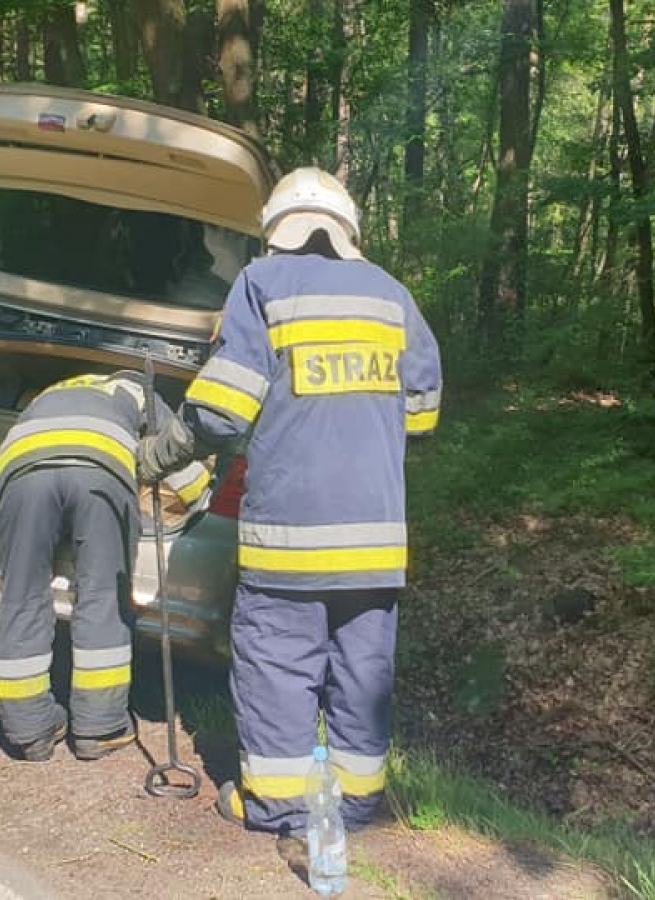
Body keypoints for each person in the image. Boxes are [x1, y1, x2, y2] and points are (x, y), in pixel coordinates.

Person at [138, 167, 443, 836]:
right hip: (375, 544)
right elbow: (421, 414)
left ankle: (278, 807)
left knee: (278, 663)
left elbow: (220, 411)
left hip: (290, 539)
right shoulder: (394, 296)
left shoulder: (262, 285)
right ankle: (357, 805)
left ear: (276, 232)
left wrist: (158, 454)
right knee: (363, 671)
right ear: (348, 230)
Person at [0, 371, 212, 762]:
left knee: (21, 597)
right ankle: (100, 726)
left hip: (20, 471)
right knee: (102, 596)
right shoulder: (137, 389)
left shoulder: (51, 390)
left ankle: (29, 731)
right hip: (99, 470)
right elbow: (183, 462)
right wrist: (199, 498)